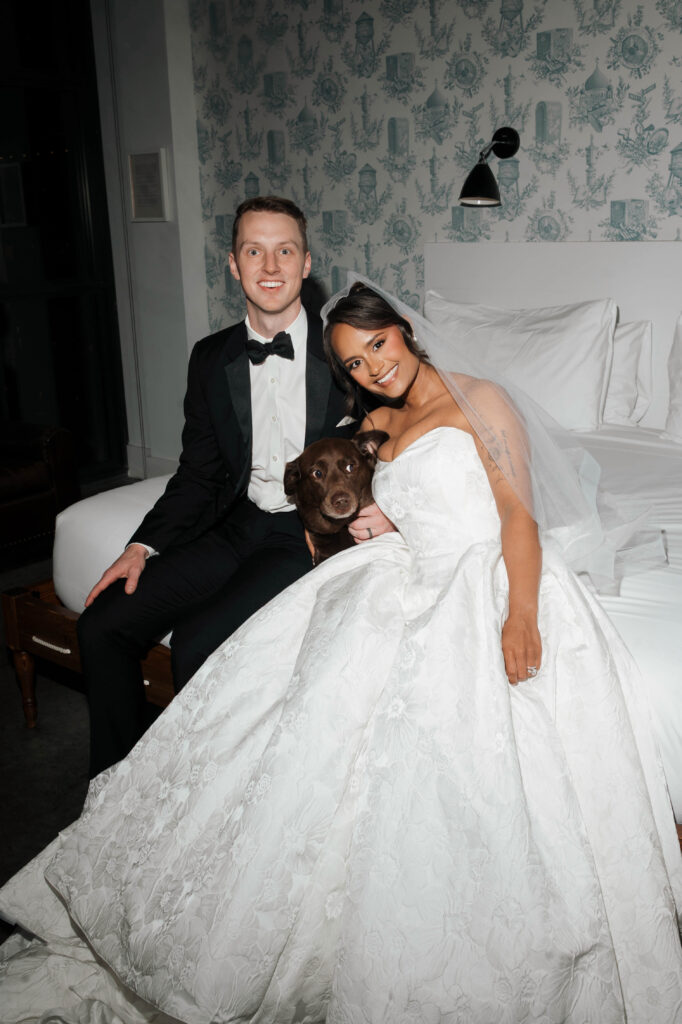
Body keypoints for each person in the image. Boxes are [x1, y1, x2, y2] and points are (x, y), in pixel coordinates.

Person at [1, 278, 681, 1023]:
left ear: (406, 329)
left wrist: (522, 614)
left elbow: (516, 512)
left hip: (484, 575)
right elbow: (362, 490)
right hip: (404, 572)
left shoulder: (482, 399)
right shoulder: (374, 424)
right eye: (355, 363)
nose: (374, 368)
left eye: (379, 345)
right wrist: (388, 516)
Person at [78, 197, 391, 778]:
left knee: (196, 641)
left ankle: (201, 791)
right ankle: (118, 790)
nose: (270, 267)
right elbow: (197, 472)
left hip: (304, 533)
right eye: (254, 251)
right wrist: (141, 545)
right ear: (232, 263)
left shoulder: (343, 350)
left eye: (285, 251)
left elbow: (395, 437)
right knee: (102, 625)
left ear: (306, 264)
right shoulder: (209, 358)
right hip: (232, 523)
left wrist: (387, 508)